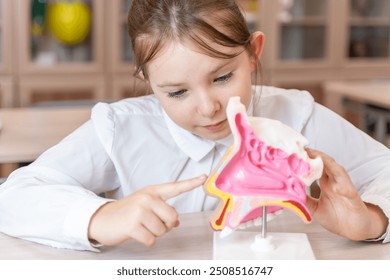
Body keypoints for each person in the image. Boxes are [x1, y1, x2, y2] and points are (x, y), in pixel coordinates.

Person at [0, 0, 389, 252]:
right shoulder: (120, 129)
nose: (208, 108)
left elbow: (383, 171)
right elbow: (15, 195)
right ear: (147, 79)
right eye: (176, 92)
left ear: (253, 53)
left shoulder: (295, 114)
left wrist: (373, 218)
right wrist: (98, 217)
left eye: (222, 78)